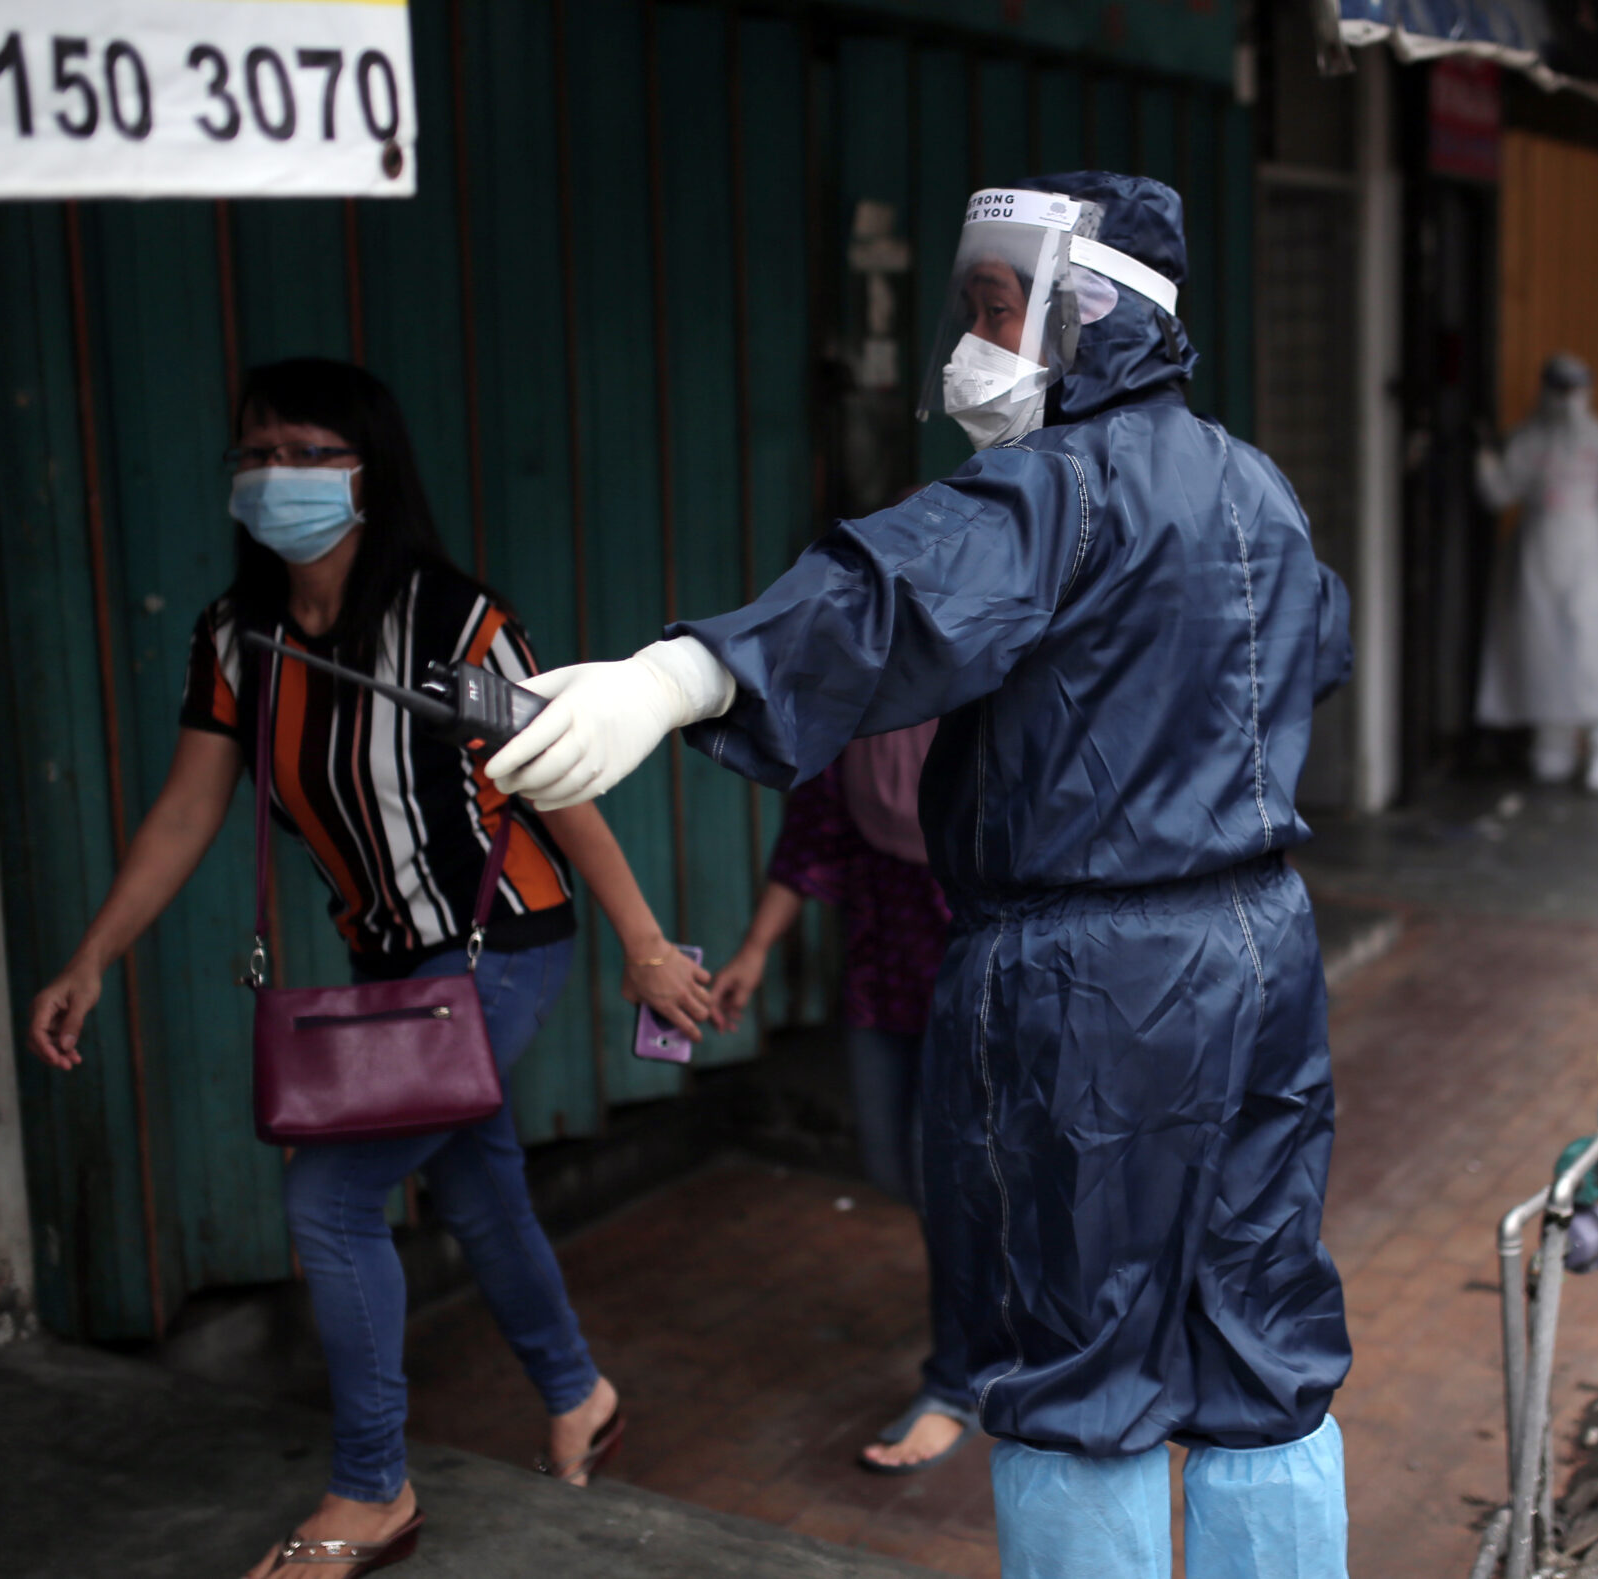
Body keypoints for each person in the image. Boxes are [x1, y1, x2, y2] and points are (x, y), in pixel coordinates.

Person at [483, 174, 1355, 1579]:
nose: (979, 341)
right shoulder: (1256, 483)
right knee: (1265, 1330)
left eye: (1002, 308)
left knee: (1078, 1364)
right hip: (1263, 942)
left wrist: (679, 672)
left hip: (1095, 982)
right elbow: (1311, 654)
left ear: (1091, 317)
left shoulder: (1054, 486)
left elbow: (892, 592)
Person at [22, 360, 717, 1579]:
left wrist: (646, 946)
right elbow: (187, 815)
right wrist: (91, 957)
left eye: (305, 450)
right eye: (255, 452)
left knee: (332, 1202)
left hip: (501, 945)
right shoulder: (237, 639)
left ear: (366, 469)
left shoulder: (456, 624)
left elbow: (560, 789)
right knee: (478, 1189)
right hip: (382, 960)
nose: (274, 475)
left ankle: (372, 1489)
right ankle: (579, 1396)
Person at [711, 718, 977, 1474]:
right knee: (897, 1168)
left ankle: (956, 1387)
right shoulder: (861, 713)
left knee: (944, 1180)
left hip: (977, 971)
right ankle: (1005, 1313)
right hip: (883, 968)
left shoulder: (992, 703)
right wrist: (755, 951)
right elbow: (811, 838)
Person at [1471, 354, 1598, 795]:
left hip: (1589, 563)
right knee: (1544, 654)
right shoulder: (1531, 439)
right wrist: (1486, 457)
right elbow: (1499, 491)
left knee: (1597, 658)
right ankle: (1553, 749)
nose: (1568, 399)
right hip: (1540, 563)